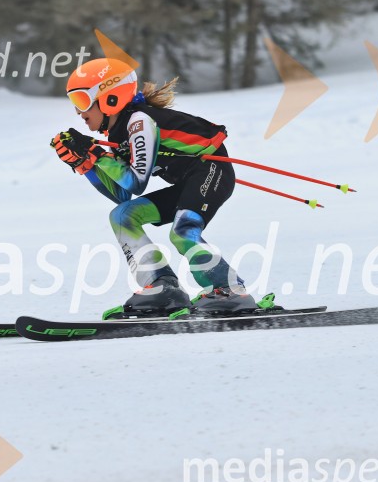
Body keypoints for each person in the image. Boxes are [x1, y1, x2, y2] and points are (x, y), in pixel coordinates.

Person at [50, 57, 258, 316]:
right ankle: (163, 286)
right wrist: (86, 165)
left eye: (82, 101)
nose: (79, 113)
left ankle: (231, 290)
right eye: (74, 103)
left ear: (110, 98)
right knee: (123, 215)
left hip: (212, 171)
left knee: (183, 231)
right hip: (187, 182)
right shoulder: (120, 133)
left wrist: (99, 156)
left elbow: (136, 182)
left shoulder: (139, 122)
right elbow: (121, 194)